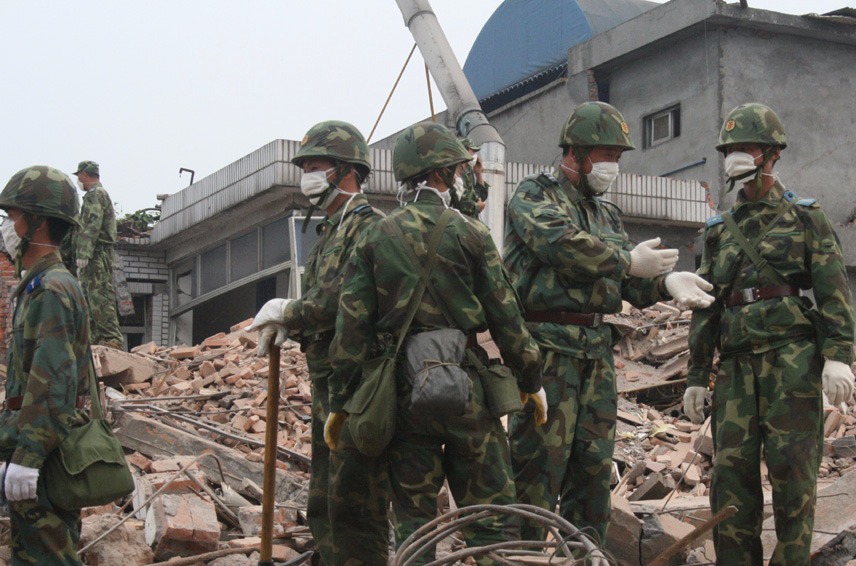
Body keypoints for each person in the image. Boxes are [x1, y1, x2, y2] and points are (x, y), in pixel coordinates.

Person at [328, 122, 546, 564]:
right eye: (458, 170)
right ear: (443, 175)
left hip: (406, 395)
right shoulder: (471, 234)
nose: (463, 177)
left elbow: (350, 330)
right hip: (468, 390)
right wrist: (531, 378)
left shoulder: (375, 237)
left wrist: (341, 400)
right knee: (494, 517)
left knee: (415, 524)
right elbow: (508, 318)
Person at [504, 101, 714, 549]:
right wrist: (626, 259)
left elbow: (630, 284)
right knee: (537, 469)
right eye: (605, 155)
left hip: (596, 352)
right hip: (547, 350)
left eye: (618, 158)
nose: (612, 166)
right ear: (575, 153)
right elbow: (560, 244)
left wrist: (664, 283)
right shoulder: (533, 194)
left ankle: (583, 557)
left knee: (592, 472)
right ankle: (522, 556)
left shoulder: (605, 214)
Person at [685, 103, 855, 565]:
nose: (734, 157)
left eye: (745, 148)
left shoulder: (805, 216)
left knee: (793, 476)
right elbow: (705, 302)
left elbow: (833, 289)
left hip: (792, 362)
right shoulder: (719, 230)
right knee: (731, 479)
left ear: (771, 154)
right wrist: (697, 372)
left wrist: (839, 354)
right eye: (729, 149)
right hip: (737, 366)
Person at [246, 121, 385, 565]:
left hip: (357, 383)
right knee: (324, 494)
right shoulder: (331, 230)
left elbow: (339, 303)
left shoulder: (367, 228)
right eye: (304, 166)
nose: (306, 174)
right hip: (329, 379)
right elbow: (321, 307)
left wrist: (291, 311)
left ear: (346, 170)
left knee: (352, 499)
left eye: (315, 166)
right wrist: (297, 325)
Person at [0, 165, 93, 565]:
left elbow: (53, 382)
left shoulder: (51, 289)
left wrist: (28, 459)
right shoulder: (40, 285)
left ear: (34, 223)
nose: (6, 224)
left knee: (48, 557)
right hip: (36, 447)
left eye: (12, 215)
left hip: (45, 456)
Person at [72, 160, 123, 349]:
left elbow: (92, 224)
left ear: (84, 174)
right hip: (96, 251)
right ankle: (95, 337)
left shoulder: (95, 194)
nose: (78, 180)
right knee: (89, 296)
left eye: (79, 176)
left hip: (97, 252)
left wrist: (84, 251)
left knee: (99, 295)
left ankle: (111, 338)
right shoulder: (96, 194)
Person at [455, 137, 490, 219]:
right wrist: (477, 206)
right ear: (463, 151)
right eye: (473, 151)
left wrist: (478, 174)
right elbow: (461, 203)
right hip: (461, 220)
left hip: (471, 219)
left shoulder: (469, 171)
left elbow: (481, 196)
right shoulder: (456, 172)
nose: (474, 155)